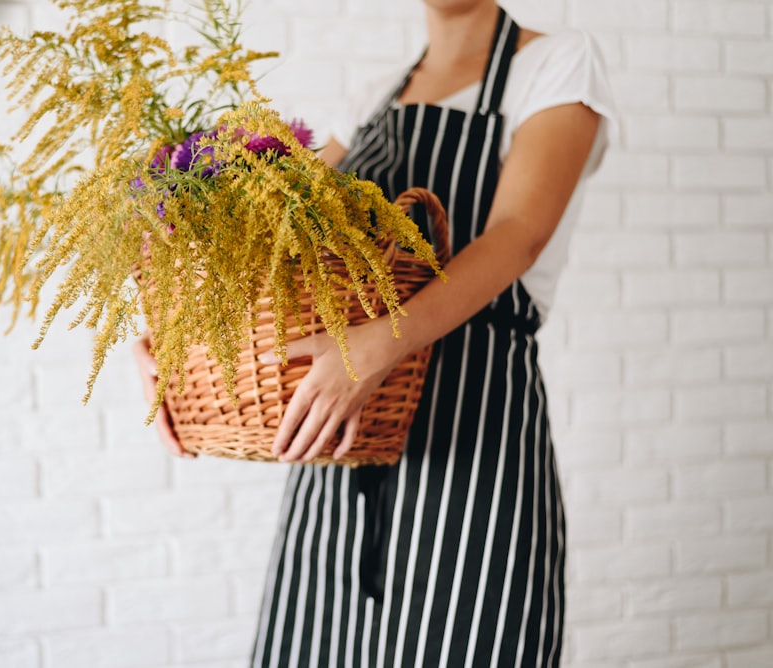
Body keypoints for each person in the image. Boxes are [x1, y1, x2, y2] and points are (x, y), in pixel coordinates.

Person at [134, 0, 618, 664]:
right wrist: (175, 348)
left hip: (473, 426)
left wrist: (376, 344)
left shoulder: (558, 64)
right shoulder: (373, 99)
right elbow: (279, 257)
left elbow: (517, 236)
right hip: (343, 429)